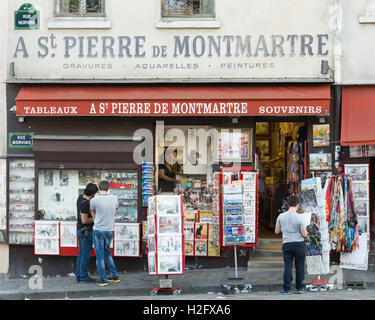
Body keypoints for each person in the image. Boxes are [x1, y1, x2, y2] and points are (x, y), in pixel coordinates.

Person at [275, 195, 308, 295]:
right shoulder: (300, 217)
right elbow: (304, 234)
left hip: (286, 244)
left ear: (288, 204)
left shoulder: (281, 216)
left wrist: (285, 229)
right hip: (299, 244)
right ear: (298, 205)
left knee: (288, 266)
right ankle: (300, 288)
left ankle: (286, 289)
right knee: (300, 266)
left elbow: (276, 231)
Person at [90, 180, 120, 287]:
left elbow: (93, 213)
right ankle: (114, 275)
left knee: (100, 255)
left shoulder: (94, 200)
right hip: (109, 229)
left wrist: (97, 219)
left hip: (98, 229)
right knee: (107, 252)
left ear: (99, 189)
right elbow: (115, 210)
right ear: (108, 188)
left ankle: (103, 280)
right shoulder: (114, 198)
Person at [76, 183, 98, 283]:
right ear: (92, 194)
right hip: (86, 231)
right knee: (85, 254)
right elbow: (84, 220)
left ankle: (79, 276)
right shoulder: (86, 203)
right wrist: (95, 219)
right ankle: (84, 276)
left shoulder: (80, 198)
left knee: (81, 254)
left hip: (80, 230)